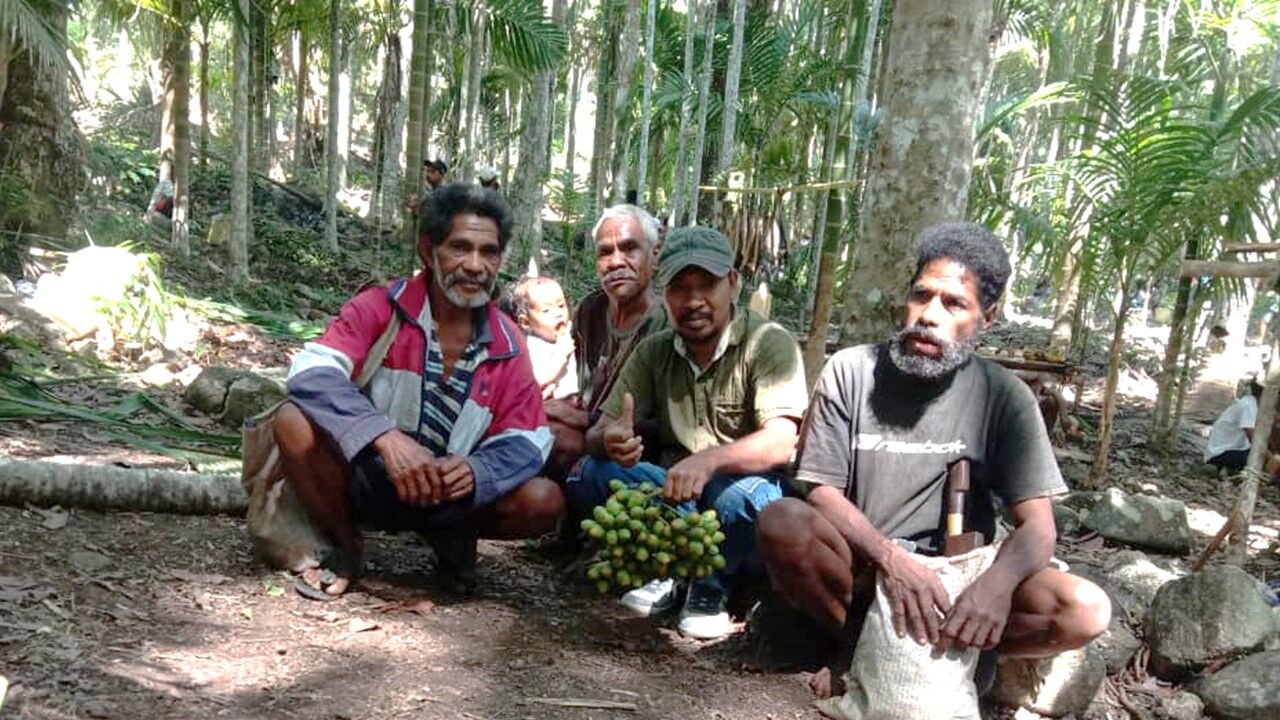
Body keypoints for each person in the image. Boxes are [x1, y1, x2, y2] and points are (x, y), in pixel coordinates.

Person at [756, 221, 1111, 696]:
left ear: (987, 318)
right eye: (921, 296)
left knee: (1085, 610)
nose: (929, 315)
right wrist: (891, 561)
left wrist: (995, 588)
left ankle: (961, 651)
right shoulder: (851, 372)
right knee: (783, 522)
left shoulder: (1004, 396)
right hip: (863, 571)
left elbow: (1039, 527)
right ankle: (858, 648)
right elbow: (821, 492)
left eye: (954, 304)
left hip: (958, 580)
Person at [274, 184, 563, 599]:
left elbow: (531, 436)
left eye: (489, 251)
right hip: (370, 476)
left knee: (543, 500)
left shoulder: (508, 341)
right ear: (429, 252)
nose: (476, 265)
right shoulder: (381, 308)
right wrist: (383, 437)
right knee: (292, 421)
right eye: (460, 247)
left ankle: (451, 543)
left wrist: (477, 471)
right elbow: (311, 371)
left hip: (452, 495)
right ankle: (345, 545)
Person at [568, 226, 809, 640]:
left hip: (743, 489)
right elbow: (601, 429)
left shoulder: (768, 342)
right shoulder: (655, 350)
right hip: (676, 490)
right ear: (663, 293)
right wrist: (610, 438)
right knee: (591, 472)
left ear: (732, 284)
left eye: (707, 286)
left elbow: (783, 440)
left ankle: (706, 587)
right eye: (680, 288)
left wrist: (710, 460)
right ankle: (674, 567)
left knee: (739, 499)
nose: (694, 301)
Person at [541, 205, 668, 479]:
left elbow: (667, 426)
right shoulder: (591, 309)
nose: (615, 262)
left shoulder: (666, 326)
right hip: (588, 432)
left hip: (633, 450)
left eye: (629, 248)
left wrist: (589, 420)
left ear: (654, 256)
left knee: (556, 437)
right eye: (605, 252)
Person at [507, 276, 578, 401]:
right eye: (546, 310)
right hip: (548, 407)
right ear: (526, 322)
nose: (558, 314)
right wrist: (560, 357)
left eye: (561, 306)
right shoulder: (530, 347)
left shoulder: (571, 332)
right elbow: (536, 381)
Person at [1204, 379, 1280, 477]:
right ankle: (1227, 468)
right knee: (1261, 455)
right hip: (1221, 453)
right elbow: (1254, 440)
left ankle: (1231, 470)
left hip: (1237, 449)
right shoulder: (1248, 406)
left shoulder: (1257, 406)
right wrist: (1273, 459)